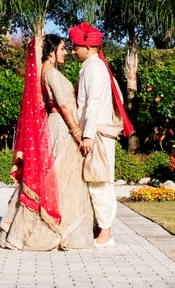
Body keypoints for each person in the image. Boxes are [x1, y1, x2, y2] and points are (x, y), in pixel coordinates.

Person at [0, 35, 94, 250]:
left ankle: (30, 229)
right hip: (61, 128)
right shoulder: (53, 75)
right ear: (50, 52)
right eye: (62, 48)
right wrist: (79, 136)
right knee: (63, 179)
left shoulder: (42, 73)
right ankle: (58, 231)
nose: (66, 52)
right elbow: (66, 107)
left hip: (51, 125)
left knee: (49, 178)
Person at [69, 22, 134, 248]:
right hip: (94, 133)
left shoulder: (95, 69)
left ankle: (105, 234)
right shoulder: (93, 67)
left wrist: (87, 135)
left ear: (88, 47)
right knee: (95, 181)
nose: (72, 50)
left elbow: (93, 104)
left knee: (99, 182)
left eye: (76, 46)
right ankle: (100, 230)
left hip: (96, 135)